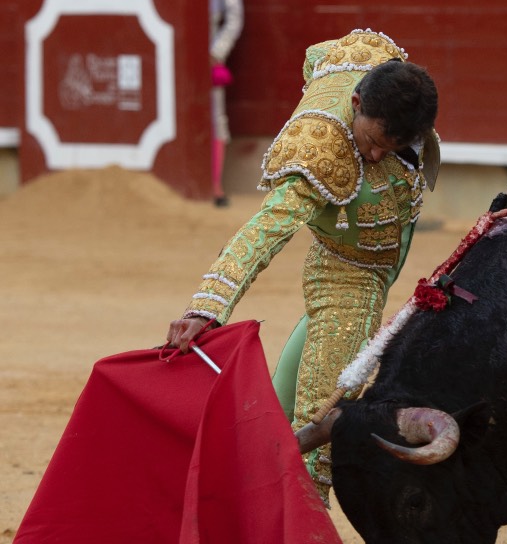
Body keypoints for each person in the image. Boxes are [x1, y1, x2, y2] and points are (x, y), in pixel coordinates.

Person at [165, 27, 439, 506]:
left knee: (277, 408)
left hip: (374, 257)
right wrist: (207, 307)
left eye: (389, 148)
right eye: (372, 141)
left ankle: (241, 504)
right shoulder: (319, 152)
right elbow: (265, 229)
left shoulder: (373, 63)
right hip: (347, 274)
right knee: (319, 424)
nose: (375, 155)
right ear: (356, 102)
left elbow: (321, 56)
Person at [155, 0, 243, 207]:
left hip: (208, 53)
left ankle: (215, 185)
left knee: (216, 117)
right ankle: (167, 182)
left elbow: (233, 18)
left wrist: (216, 53)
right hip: (170, 52)